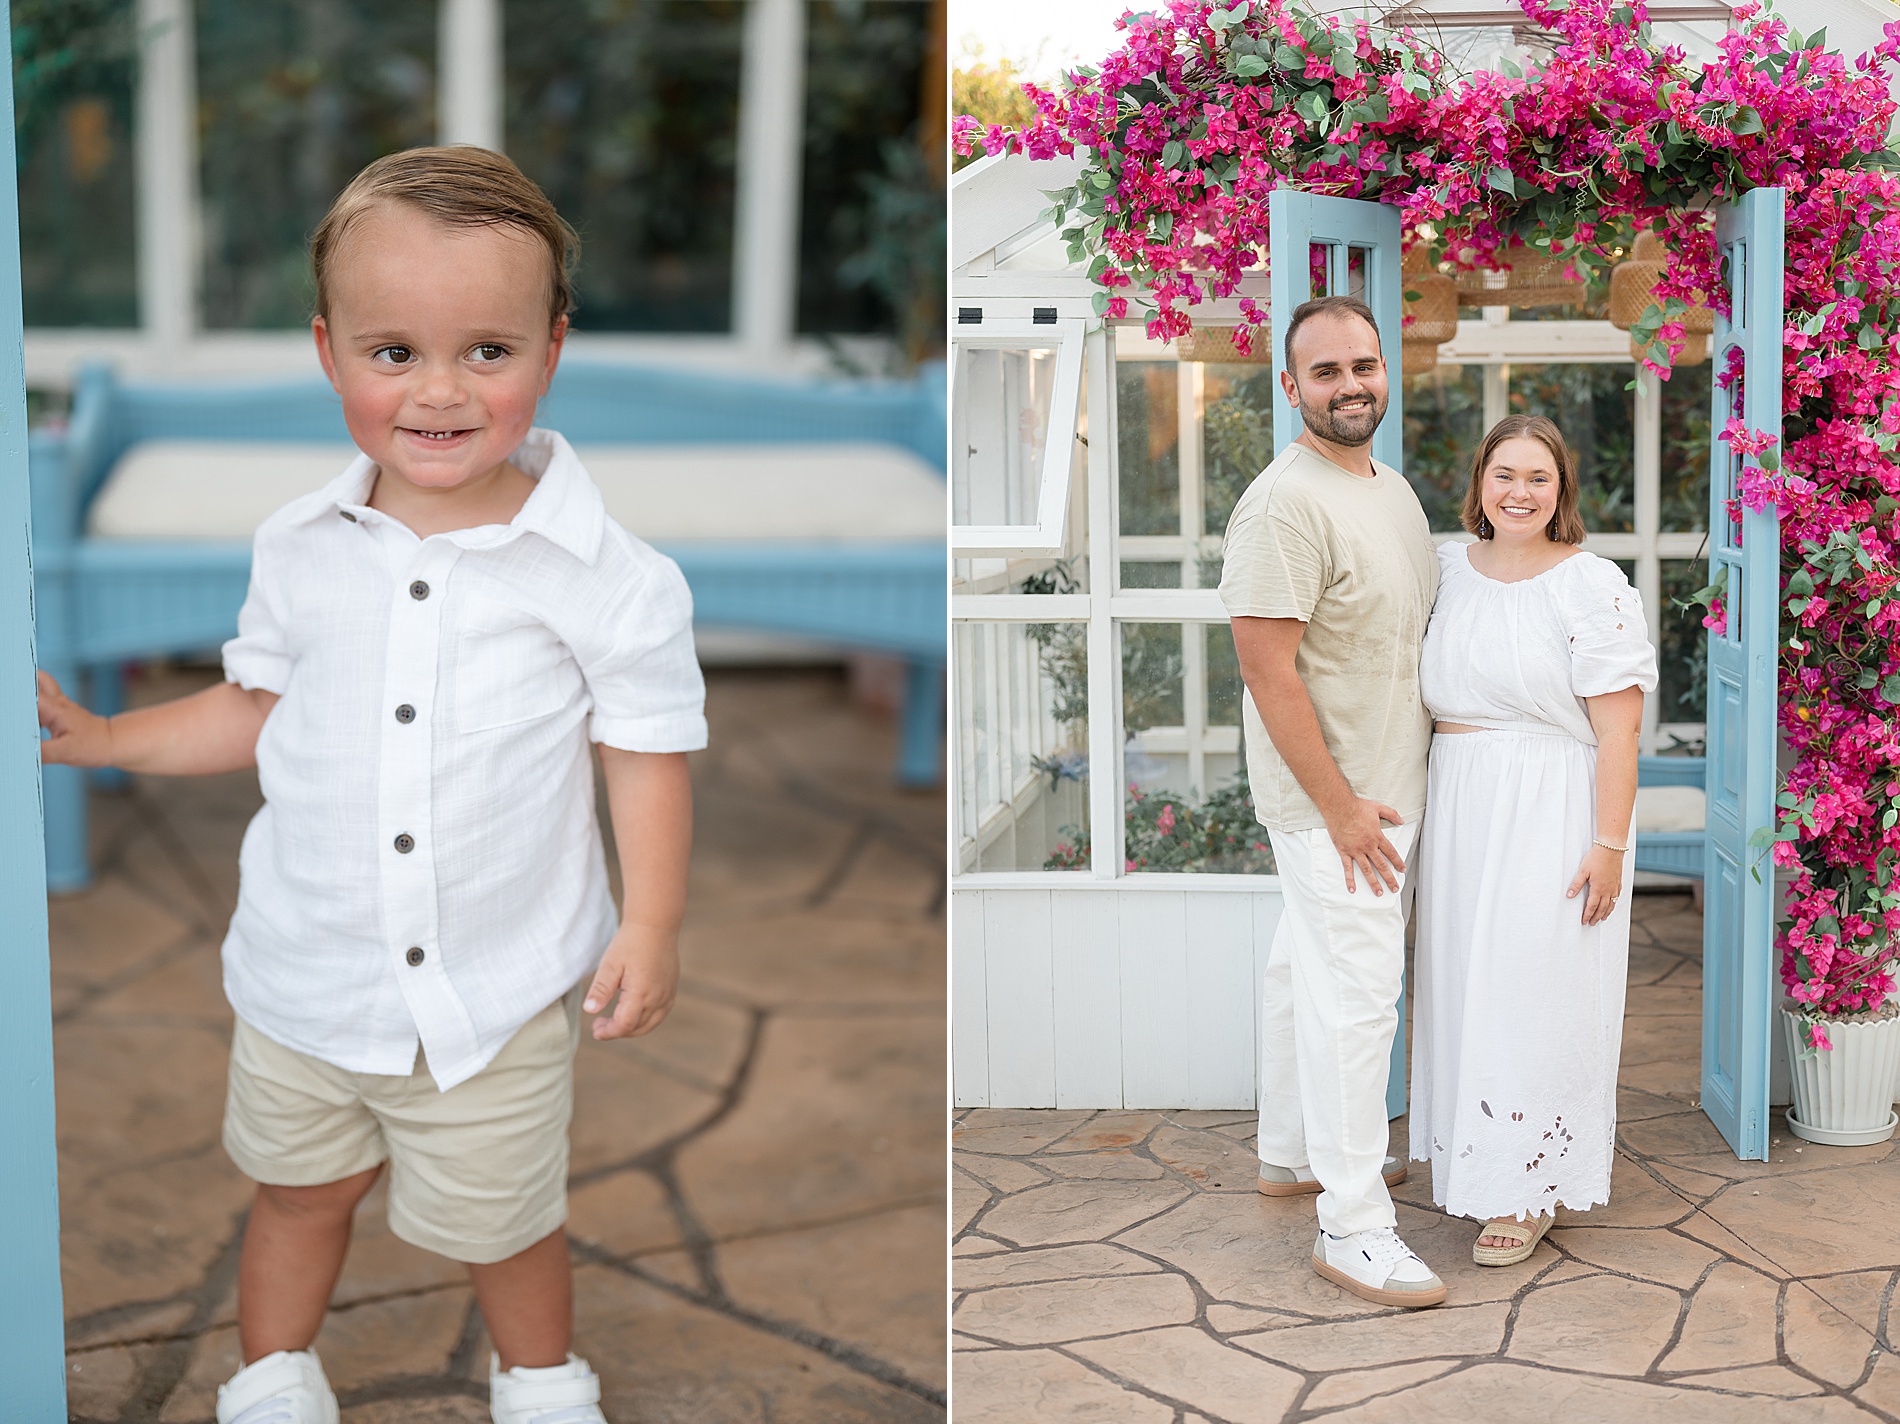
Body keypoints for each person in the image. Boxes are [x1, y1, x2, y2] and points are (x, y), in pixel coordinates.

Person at [36, 147, 704, 1424]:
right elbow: (255, 706)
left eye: (488, 352)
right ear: (329, 349)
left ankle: (540, 1379)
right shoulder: (299, 547)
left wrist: (653, 921)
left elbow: (646, 749)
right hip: (304, 977)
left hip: (491, 992)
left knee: (506, 1218)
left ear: (551, 350)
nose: (440, 391)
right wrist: (110, 735)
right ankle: (275, 1369)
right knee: (296, 1191)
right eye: (393, 351)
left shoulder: (609, 575)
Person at [1219, 294, 1446, 1308]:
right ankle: (1351, 1224)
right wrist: (1342, 805)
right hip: (1341, 802)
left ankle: (1292, 1151)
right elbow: (1268, 671)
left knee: (1294, 965)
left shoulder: (1386, 486)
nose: (1349, 383)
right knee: (1358, 1000)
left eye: (1363, 364)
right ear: (1289, 385)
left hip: (1380, 785)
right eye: (1324, 371)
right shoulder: (1283, 503)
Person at [1410, 414, 1655, 1266]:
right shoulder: (1442, 569)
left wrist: (1609, 844)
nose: (1519, 492)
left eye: (1538, 478)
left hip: (1553, 806)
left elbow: (1619, 733)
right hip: (1460, 802)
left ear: (1561, 493)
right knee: (1468, 988)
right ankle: (1477, 1160)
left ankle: (1532, 1184)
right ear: (1480, 481)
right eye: (1504, 474)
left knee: (1534, 989)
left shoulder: (1590, 584)